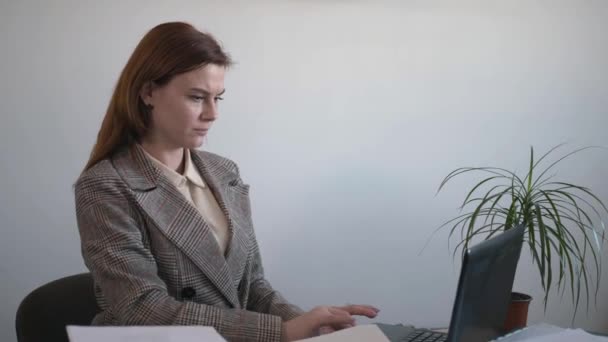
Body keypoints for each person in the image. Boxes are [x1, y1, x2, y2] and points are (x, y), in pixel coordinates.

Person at [74, 22, 379, 342]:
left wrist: (310, 322)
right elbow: (143, 309)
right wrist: (282, 331)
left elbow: (252, 287)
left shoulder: (224, 172)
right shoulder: (105, 186)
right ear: (148, 92)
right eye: (196, 97)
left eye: (218, 98)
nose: (212, 113)